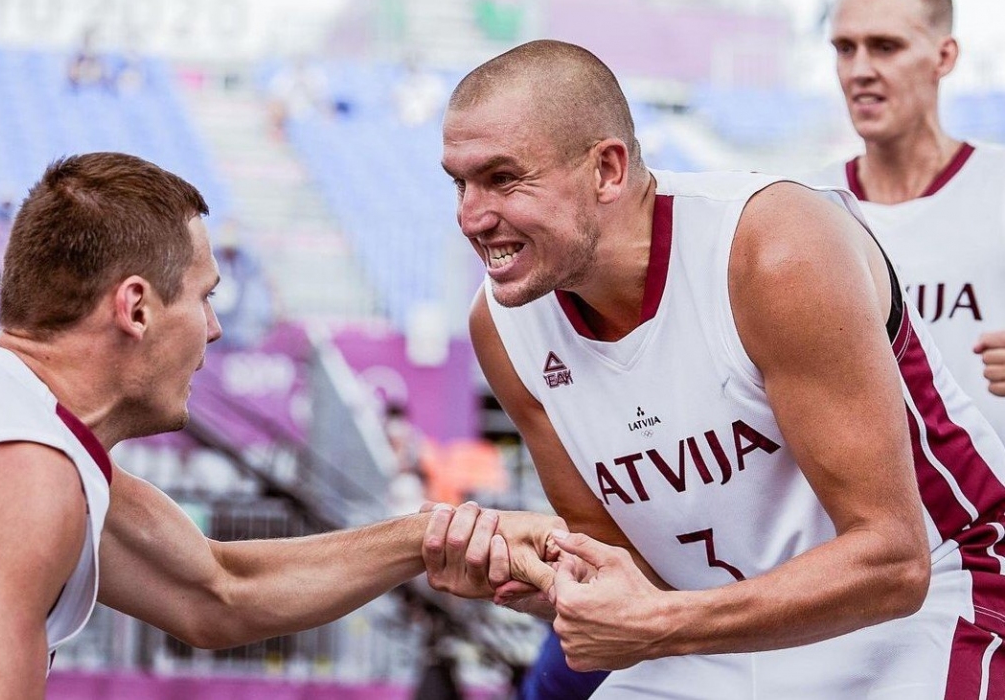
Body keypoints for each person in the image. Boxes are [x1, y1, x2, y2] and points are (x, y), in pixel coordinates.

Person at [422, 39, 1005, 698]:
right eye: (459, 182)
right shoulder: (501, 328)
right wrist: (536, 575)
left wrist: (659, 624)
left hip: (934, 590)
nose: (471, 216)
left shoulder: (772, 247)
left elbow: (893, 564)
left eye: (502, 178)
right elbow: (632, 571)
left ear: (608, 170)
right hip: (720, 624)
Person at [0, 151, 561, 698]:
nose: (213, 327)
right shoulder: (26, 474)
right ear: (136, 308)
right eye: (203, 297)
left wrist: (429, 536)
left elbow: (220, 592)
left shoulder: (38, 437)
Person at [810, 0, 1005, 442]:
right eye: (844, 48)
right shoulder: (805, 206)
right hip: (876, 513)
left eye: (885, 47)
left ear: (944, 56)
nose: (859, 70)